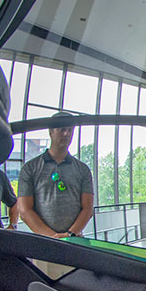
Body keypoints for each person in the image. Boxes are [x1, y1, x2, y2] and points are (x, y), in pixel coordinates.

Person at [18, 112, 94, 278]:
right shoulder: (30, 168)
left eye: (70, 130)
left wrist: (69, 235)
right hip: (44, 246)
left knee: (78, 290)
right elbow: (24, 210)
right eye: (61, 129)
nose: (66, 134)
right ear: (51, 131)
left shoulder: (82, 169)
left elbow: (87, 208)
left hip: (75, 244)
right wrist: (52, 238)